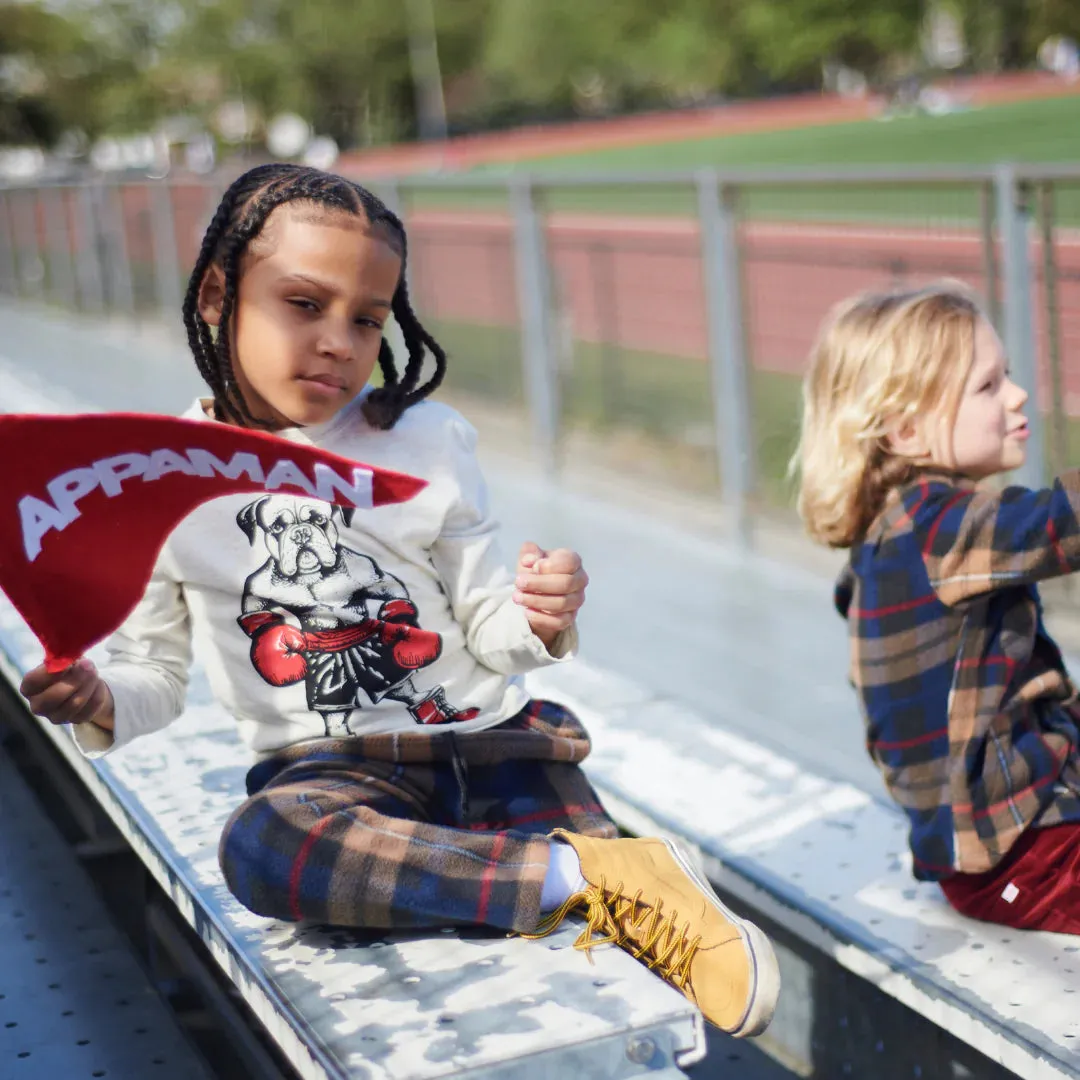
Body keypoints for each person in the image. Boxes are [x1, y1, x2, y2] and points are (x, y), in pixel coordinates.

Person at [19, 163, 779, 1035]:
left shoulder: (426, 439)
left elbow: (488, 626)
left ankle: (587, 878)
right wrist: (102, 699)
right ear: (218, 296)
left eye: (368, 318)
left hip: (495, 748)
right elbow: (154, 671)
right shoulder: (162, 482)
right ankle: (581, 877)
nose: (340, 340)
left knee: (624, 969)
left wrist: (538, 618)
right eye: (305, 304)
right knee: (261, 845)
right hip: (331, 776)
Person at [793, 280, 1080, 935]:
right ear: (909, 430)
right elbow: (1055, 525)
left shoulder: (897, 535)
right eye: (987, 387)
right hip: (1021, 868)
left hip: (1014, 846)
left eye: (1006, 375)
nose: (1018, 395)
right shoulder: (931, 528)